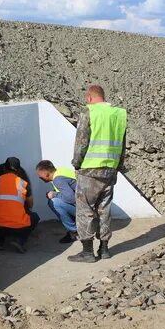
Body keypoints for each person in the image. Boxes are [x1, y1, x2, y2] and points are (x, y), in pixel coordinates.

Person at [68, 84, 127, 263]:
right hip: (110, 169)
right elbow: (122, 144)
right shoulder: (119, 114)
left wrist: (76, 163)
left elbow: (81, 142)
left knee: (85, 209)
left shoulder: (89, 112)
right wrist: (118, 166)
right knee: (104, 209)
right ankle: (104, 249)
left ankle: (87, 252)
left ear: (89, 97)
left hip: (90, 170)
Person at [0, 157, 39, 253]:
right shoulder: (23, 183)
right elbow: (30, 204)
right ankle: (19, 240)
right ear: (18, 171)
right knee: (35, 217)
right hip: (17, 227)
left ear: (4, 169)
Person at [35, 160, 78, 244]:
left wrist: (54, 194)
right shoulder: (61, 171)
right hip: (88, 204)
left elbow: (71, 198)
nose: (39, 178)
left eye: (40, 176)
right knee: (57, 200)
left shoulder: (57, 179)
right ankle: (77, 225)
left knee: (54, 203)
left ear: (45, 173)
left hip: (84, 209)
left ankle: (74, 232)